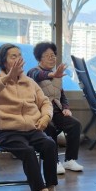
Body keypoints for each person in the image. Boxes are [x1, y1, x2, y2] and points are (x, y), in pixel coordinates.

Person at [0, 43, 68, 191]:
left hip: (32, 129)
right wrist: (7, 78)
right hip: (7, 132)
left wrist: (45, 117)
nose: (18, 58)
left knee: (50, 144)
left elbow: (45, 102)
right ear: (3, 61)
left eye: (20, 55)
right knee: (28, 151)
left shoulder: (29, 82)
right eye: (13, 56)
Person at [26, 41, 84, 175]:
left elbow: (62, 95)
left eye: (53, 55)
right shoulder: (33, 72)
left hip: (56, 111)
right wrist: (52, 75)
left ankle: (70, 159)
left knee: (75, 125)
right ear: (39, 58)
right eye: (48, 56)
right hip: (40, 113)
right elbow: (39, 76)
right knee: (50, 127)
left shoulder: (57, 74)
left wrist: (66, 107)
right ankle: (54, 161)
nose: (52, 58)